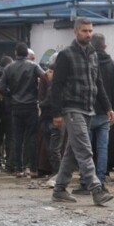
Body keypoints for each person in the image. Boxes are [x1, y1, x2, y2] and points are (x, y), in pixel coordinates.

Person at [49, 17, 114, 206]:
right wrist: (56, 113)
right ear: (75, 31)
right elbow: (57, 86)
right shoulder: (66, 55)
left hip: (88, 109)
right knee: (85, 150)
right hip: (72, 108)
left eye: (90, 30)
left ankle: (59, 189)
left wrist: (108, 106)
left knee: (72, 151)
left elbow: (98, 82)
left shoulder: (93, 54)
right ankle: (96, 189)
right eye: (84, 30)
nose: (88, 34)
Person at [0, 42, 45, 179]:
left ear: (15, 53)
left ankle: (18, 169)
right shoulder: (33, 66)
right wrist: (37, 93)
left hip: (15, 107)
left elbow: (1, 88)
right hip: (31, 106)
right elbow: (45, 78)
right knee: (31, 138)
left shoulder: (9, 68)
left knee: (17, 138)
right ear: (27, 54)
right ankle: (33, 169)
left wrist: (11, 94)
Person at [90, 33, 114, 184]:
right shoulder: (112, 65)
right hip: (106, 112)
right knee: (102, 148)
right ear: (105, 46)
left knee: (86, 148)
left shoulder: (88, 62)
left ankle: (86, 179)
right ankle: (100, 178)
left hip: (88, 110)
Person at [38, 52, 63, 187]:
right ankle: (57, 173)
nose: (48, 73)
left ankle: (58, 174)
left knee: (54, 149)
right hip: (52, 119)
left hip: (54, 119)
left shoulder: (55, 86)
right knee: (53, 148)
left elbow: (48, 100)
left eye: (51, 71)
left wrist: (40, 104)